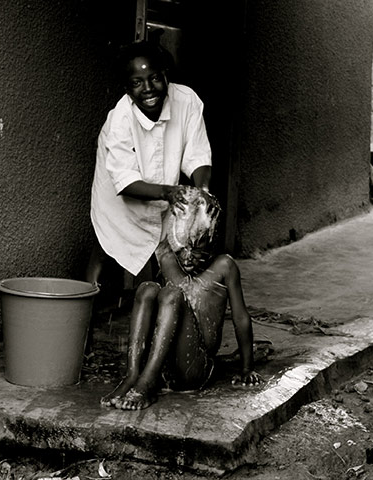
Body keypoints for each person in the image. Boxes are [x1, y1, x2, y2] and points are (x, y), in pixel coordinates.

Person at [101, 187, 264, 410]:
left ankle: (146, 383)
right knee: (147, 289)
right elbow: (150, 310)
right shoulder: (167, 257)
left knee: (171, 293)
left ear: (212, 242)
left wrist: (246, 368)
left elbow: (241, 318)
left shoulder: (224, 267)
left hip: (194, 369)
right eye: (183, 249)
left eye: (197, 251)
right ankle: (133, 375)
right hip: (163, 365)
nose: (187, 258)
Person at [86, 40, 212, 288]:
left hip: (165, 195)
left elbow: (197, 154)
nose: (148, 89)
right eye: (136, 82)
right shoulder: (119, 120)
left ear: (165, 74)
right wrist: (168, 192)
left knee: (162, 254)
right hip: (121, 192)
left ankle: (151, 303)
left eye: (154, 78)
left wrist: (202, 192)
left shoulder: (187, 101)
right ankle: (85, 310)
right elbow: (125, 181)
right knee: (108, 243)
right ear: (126, 88)